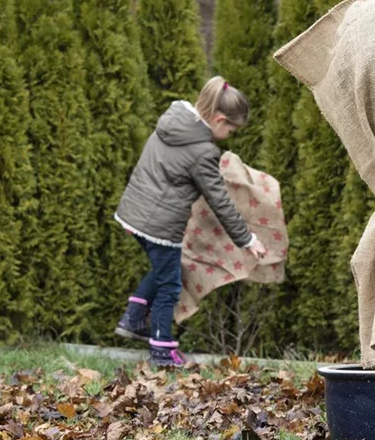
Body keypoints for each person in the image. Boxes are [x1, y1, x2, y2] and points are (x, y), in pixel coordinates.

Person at [113, 76, 267, 367]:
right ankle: (162, 350)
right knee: (170, 284)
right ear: (219, 119)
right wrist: (247, 240)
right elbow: (219, 201)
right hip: (160, 226)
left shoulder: (172, 121)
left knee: (164, 268)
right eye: (231, 129)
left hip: (134, 214)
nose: (230, 135)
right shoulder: (203, 151)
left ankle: (133, 317)